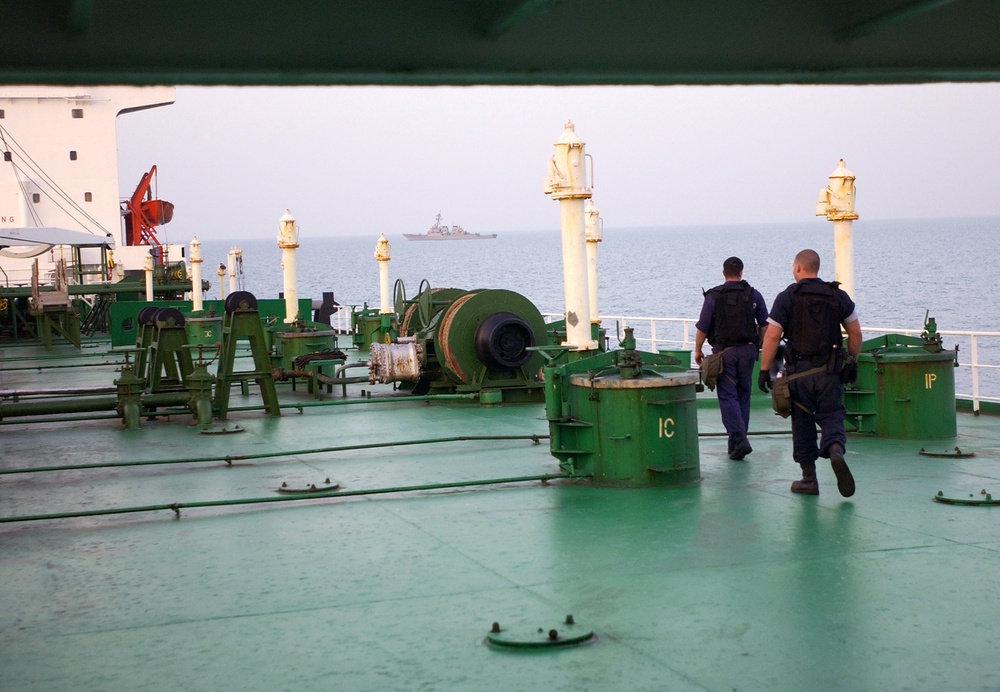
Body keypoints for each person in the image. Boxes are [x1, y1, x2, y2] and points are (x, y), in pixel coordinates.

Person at [758, 249, 861, 497]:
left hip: (798, 375)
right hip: (829, 373)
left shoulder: (787, 297)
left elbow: (772, 336)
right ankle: (835, 450)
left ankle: (809, 479)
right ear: (816, 267)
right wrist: (852, 361)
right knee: (832, 415)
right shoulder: (838, 295)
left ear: (797, 268)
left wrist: (763, 370)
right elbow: (855, 334)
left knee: (802, 421)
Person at [695, 256, 769, 460]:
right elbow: (765, 325)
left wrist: (697, 349)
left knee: (728, 396)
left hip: (724, 354)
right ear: (741, 272)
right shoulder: (754, 295)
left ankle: (739, 437)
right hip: (748, 352)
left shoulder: (713, 296)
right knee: (743, 394)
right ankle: (736, 443)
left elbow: (702, 327)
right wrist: (761, 346)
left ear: (723, 272)